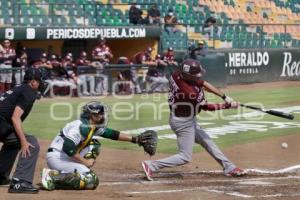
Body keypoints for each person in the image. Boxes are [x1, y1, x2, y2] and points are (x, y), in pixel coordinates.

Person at [141, 59, 246, 181]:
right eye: (196, 75)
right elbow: (207, 107)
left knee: (207, 141)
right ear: (188, 75)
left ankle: (228, 166)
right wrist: (228, 106)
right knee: (185, 156)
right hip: (182, 123)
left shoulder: (177, 75)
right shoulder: (189, 93)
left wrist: (225, 97)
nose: (198, 77)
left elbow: (204, 84)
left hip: (187, 119)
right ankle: (151, 165)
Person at [41, 101, 154, 190]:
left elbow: (112, 134)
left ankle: (75, 170)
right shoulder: (80, 127)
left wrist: (135, 139)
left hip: (64, 156)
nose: (103, 116)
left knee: (94, 144)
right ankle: (52, 176)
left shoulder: (91, 126)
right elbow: (68, 147)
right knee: (91, 180)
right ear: (92, 115)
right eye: (100, 114)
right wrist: (85, 162)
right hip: (57, 158)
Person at [0, 68, 45, 193]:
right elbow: (15, 118)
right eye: (39, 81)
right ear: (32, 82)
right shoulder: (29, 91)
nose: (41, 84)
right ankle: (20, 182)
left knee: (13, 143)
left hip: (3, 125)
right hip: (2, 124)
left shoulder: (20, 87)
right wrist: (24, 142)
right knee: (31, 144)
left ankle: (0, 176)